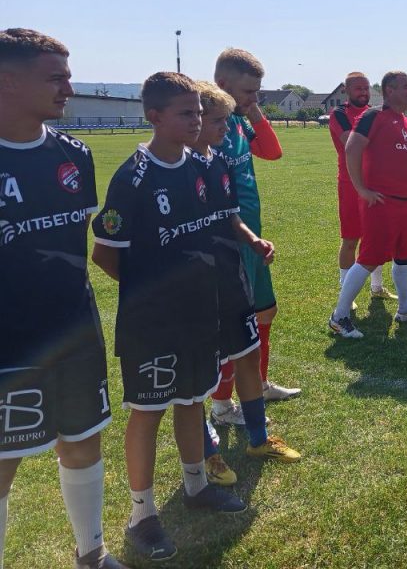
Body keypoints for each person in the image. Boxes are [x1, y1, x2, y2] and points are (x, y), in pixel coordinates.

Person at [93, 73, 246, 563]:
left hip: (199, 313)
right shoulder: (133, 176)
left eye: (199, 112)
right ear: (154, 116)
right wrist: (153, 290)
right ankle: (142, 514)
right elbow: (105, 253)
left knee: (192, 399)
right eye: (186, 113)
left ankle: (196, 485)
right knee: (149, 410)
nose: (196, 120)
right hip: (153, 322)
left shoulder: (199, 166)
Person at [0, 29, 127, 569]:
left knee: (82, 441)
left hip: (75, 329)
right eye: (56, 78)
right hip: (9, 341)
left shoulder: (73, 153)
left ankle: (91, 554)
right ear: (8, 81)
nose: (68, 89)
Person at [192, 82, 301, 481]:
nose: (227, 128)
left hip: (234, 263)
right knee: (202, 364)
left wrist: (253, 240)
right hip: (199, 279)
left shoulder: (216, 162)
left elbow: (229, 211)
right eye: (218, 121)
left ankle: (258, 438)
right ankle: (207, 451)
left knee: (248, 348)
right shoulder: (170, 167)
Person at [212, 49, 300, 406]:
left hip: (253, 235)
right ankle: (221, 404)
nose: (255, 98)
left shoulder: (238, 121)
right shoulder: (209, 126)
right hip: (229, 238)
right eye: (249, 91)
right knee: (233, 322)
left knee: (265, 311)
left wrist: (252, 111)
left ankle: (260, 384)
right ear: (223, 84)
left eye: (258, 91)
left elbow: (273, 152)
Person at [329, 71, 407, 338]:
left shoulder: (405, 121)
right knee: (369, 257)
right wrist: (361, 188)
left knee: (406, 256)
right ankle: (339, 316)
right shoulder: (374, 116)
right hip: (383, 202)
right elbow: (352, 148)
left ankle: (406, 309)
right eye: (405, 87)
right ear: (389, 90)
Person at [328, 71, 394, 325]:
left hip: (376, 183)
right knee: (350, 238)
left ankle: (377, 286)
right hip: (350, 185)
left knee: (375, 236)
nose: (363, 92)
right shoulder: (339, 114)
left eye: (366, 88)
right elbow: (351, 143)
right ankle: (346, 289)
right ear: (346, 91)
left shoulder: (374, 113)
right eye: (358, 88)